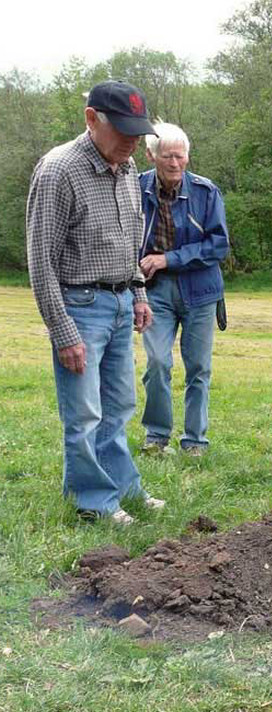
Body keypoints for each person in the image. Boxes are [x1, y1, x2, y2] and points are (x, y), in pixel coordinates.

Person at [26, 80, 163, 525]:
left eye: (138, 132)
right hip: (79, 307)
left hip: (122, 303)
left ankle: (124, 488)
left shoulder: (125, 170)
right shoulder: (58, 171)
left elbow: (129, 242)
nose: (132, 141)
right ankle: (93, 502)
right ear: (91, 119)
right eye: (123, 130)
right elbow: (40, 260)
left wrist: (138, 293)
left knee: (119, 407)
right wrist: (64, 331)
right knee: (84, 414)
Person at [138, 122, 230, 457]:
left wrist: (168, 259)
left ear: (188, 157)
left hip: (201, 292)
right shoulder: (135, 189)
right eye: (167, 157)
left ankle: (195, 441)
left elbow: (219, 245)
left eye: (180, 156)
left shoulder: (207, 192)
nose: (174, 163)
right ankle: (157, 437)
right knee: (157, 363)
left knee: (198, 369)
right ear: (151, 155)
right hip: (154, 292)